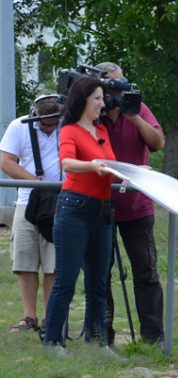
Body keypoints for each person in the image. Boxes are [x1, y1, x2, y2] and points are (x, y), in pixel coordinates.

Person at [94, 61, 166, 346]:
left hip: (136, 205)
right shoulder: (91, 112)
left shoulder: (137, 107)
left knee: (145, 270)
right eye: (112, 86)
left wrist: (133, 116)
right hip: (99, 204)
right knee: (100, 272)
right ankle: (103, 337)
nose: (117, 91)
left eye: (121, 84)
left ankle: (153, 338)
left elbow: (158, 143)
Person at [43, 77, 116, 348]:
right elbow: (68, 163)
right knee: (67, 280)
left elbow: (110, 166)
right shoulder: (70, 130)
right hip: (75, 209)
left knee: (99, 282)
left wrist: (133, 173)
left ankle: (97, 343)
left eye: (102, 98)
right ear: (83, 100)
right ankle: (53, 342)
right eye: (97, 98)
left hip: (103, 211)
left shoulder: (102, 132)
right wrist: (93, 165)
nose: (102, 103)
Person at [0, 94, 64, 334]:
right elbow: (6, 161)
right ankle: (29, 316)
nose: (49, 127)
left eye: (53, 123)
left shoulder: (66, 126)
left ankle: (50, 317)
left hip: (59, 200)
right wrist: (35, 182)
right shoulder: (19, 126)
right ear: (35, 114)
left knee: (53, 263)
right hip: (27, 200)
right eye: (44, 123)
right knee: (25, 260)